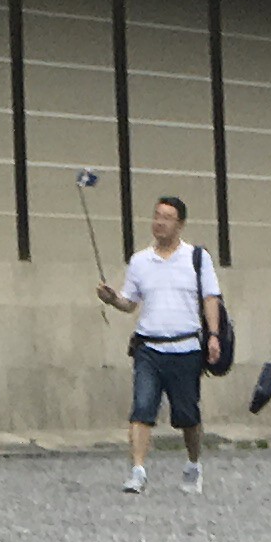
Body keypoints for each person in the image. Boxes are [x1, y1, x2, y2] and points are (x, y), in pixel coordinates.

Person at [95, 191, 225, 495]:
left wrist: (214, 336)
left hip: (186, 348)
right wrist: (113, 299)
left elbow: (210, 298)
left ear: (180, 224)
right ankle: (137, 470)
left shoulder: (196, 258)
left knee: (187, 415)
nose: (159, 223)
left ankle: (193, 464)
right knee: (142, 408)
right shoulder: (140, 260)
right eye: (156, 216)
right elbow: (130, 303)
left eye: (167, 218)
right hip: (148, 348)